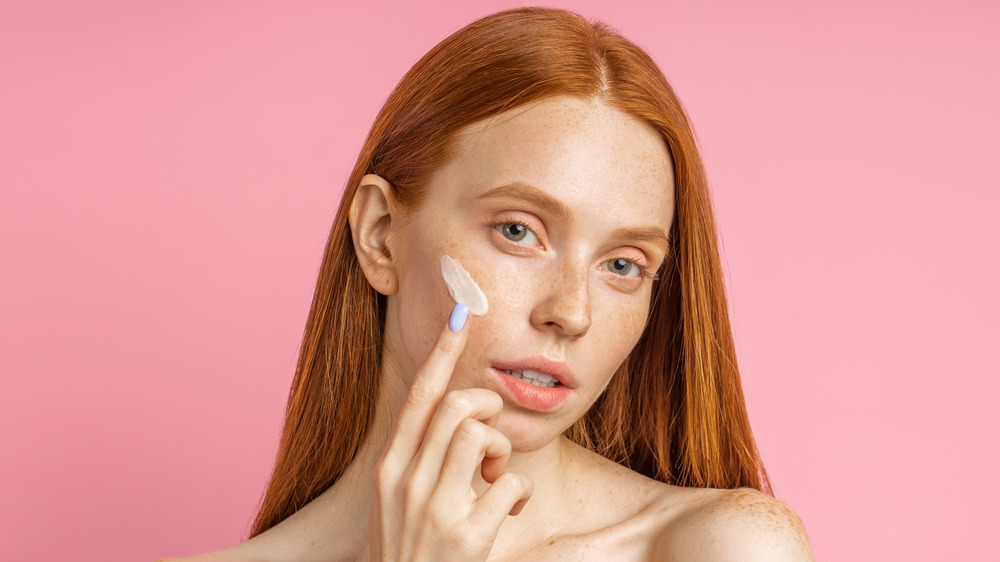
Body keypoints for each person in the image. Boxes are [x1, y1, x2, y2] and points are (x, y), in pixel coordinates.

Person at [167, 6, 813, 561]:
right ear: (381, 235)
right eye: (517, 231)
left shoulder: (721, 546)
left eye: (623, 265)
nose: (572, 312)